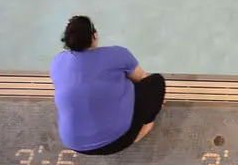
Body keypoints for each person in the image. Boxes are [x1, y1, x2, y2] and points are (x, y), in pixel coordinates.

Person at [50, 16, 166, 156]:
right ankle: (143, 129)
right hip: (120, 139)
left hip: (76, 144)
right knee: (156, 82)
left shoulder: (57, 62)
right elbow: (142, 78)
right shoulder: (117, 54)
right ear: (95, 35)